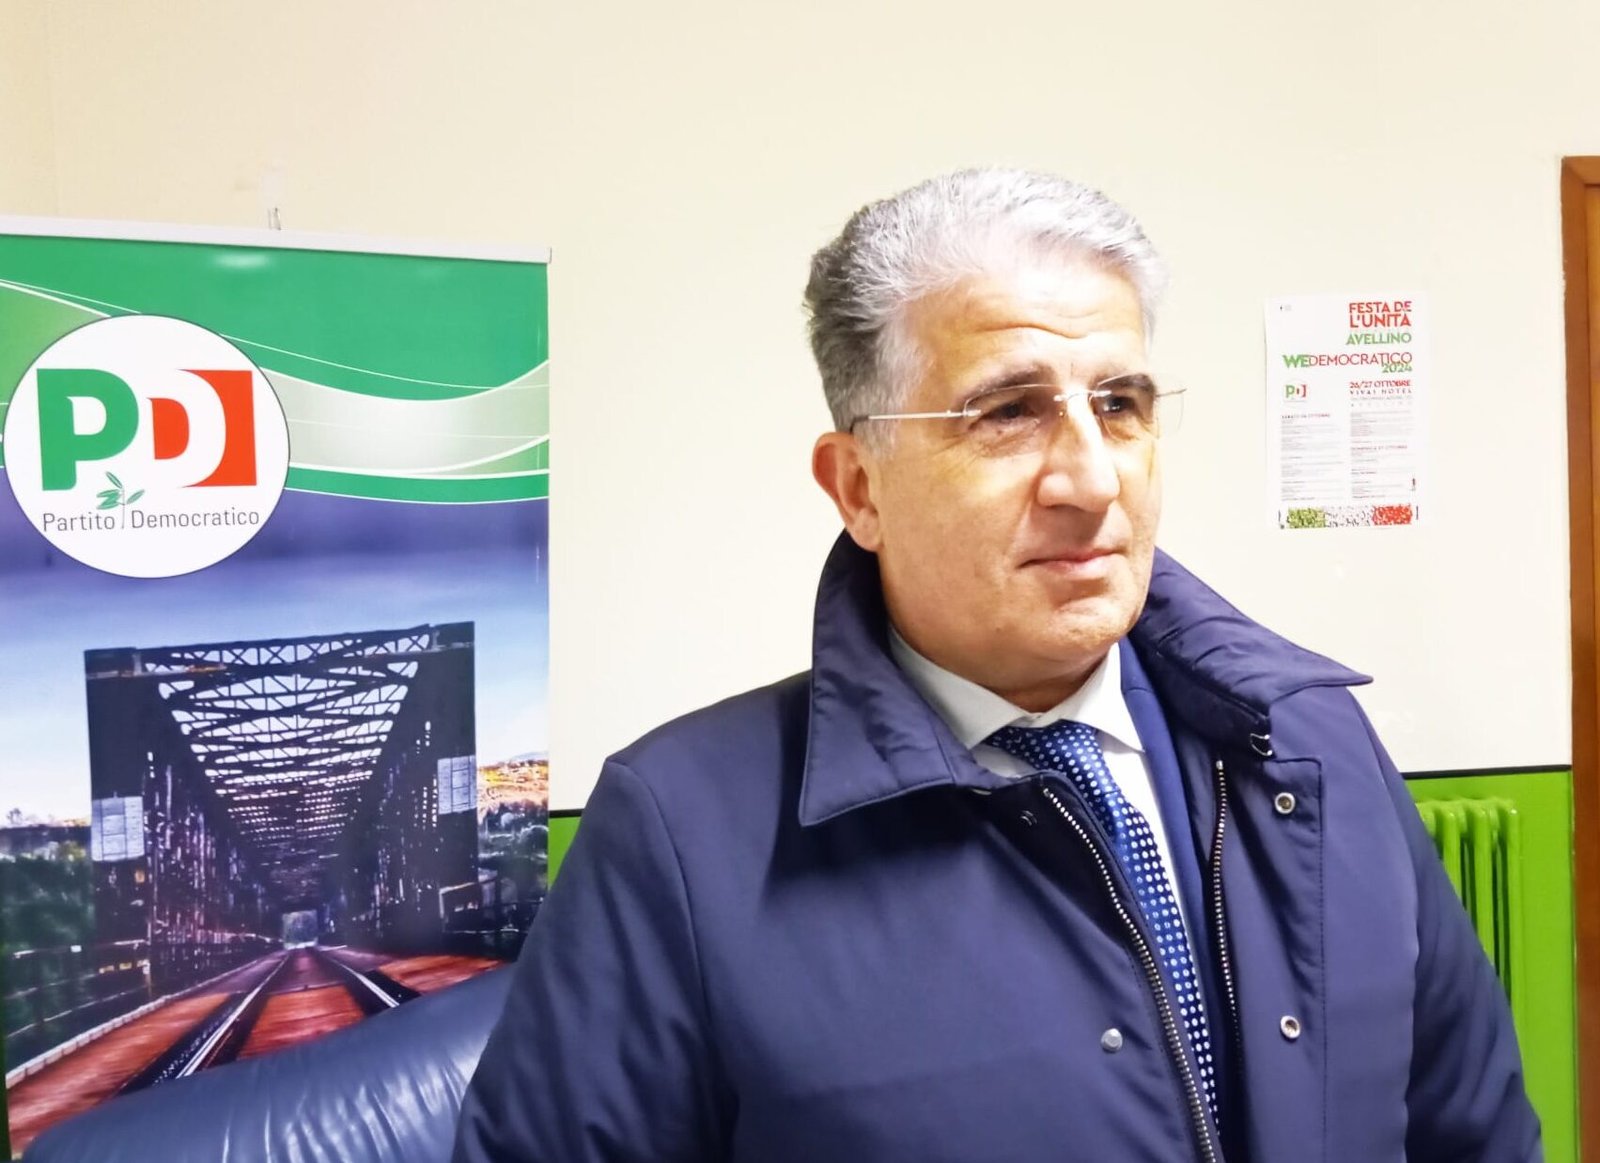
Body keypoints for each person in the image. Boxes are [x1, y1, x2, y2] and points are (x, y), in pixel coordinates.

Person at [452, 169, 1540, 1162]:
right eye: (1009, 412)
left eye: (1120, 405)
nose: (1092, 480)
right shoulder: (685, 835)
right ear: (859, 487)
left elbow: (1475, 1132)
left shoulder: (1311, 742)